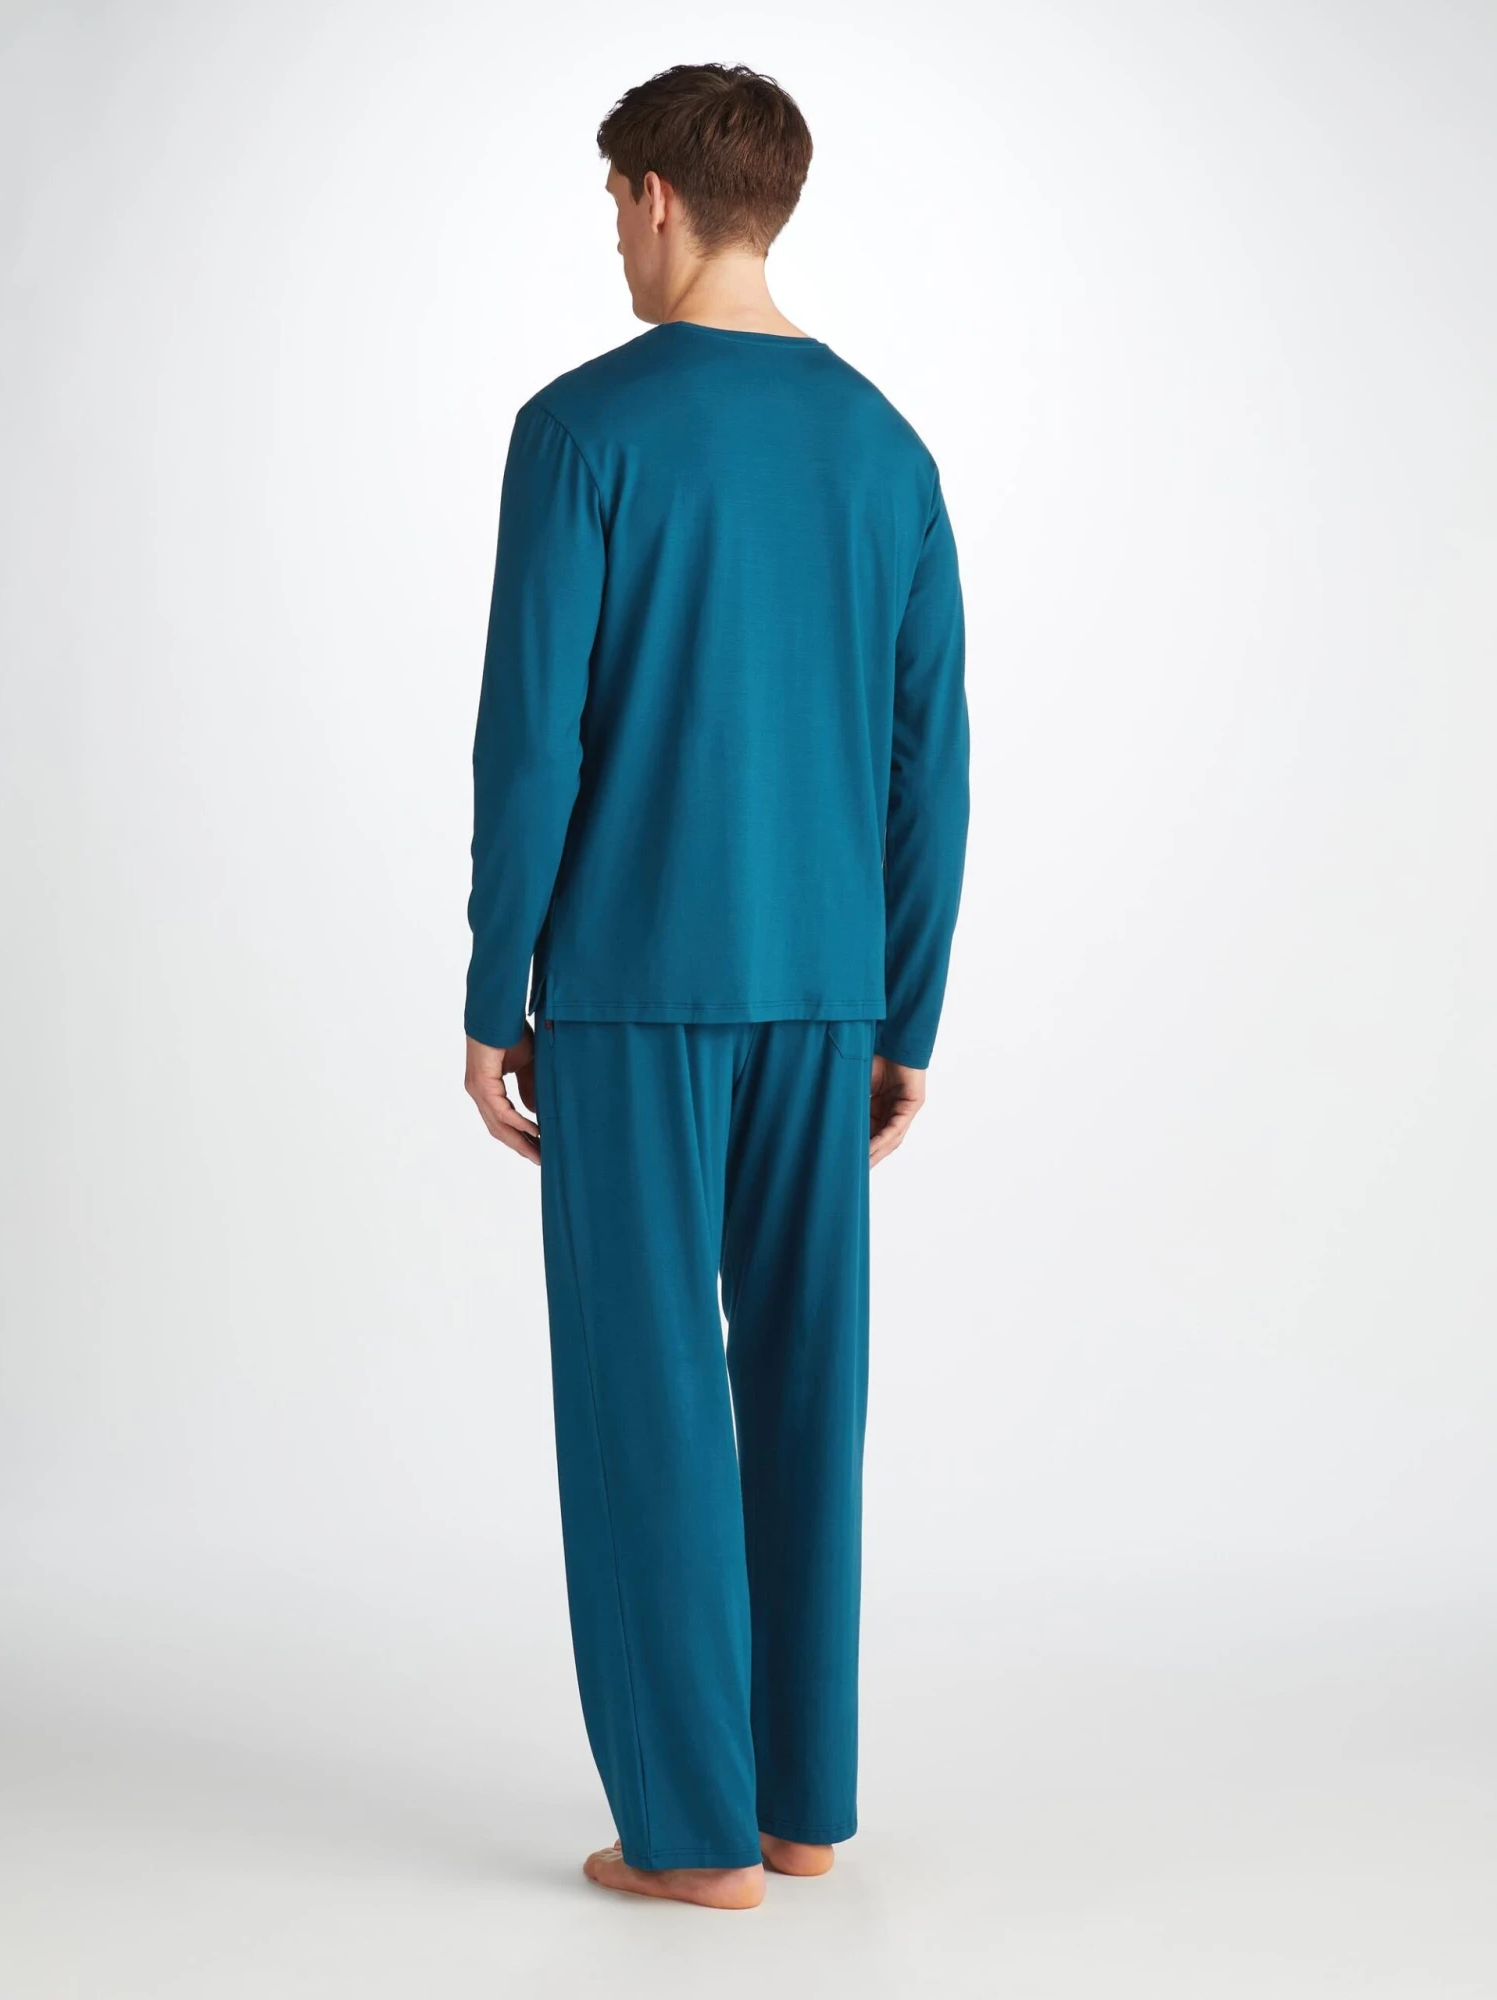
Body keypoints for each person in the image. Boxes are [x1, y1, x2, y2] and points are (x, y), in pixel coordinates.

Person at [463, 63, 969, 1910]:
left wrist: (494, 985)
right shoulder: (887, 449)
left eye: (614, 199)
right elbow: (931, 765)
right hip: (826, 993)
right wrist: (906, 1017)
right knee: (809, 1393)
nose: (613, 233)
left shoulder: (580, 431)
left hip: (626, 990)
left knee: (648, 1399)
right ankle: (801, 1804)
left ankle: (689, 1838)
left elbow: (534, 739)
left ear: (658, 196)